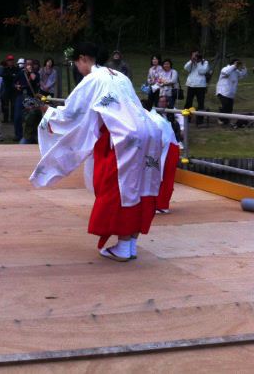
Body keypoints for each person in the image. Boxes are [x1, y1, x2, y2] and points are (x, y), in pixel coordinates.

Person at [30, 42, 163, 262]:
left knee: (116, 188)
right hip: (146, 132)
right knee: (140, 187)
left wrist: (47, 112)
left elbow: (72, 114)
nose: (76, 67)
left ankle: (122, 245)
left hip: (121, 136)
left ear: (83, 58)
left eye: (75, 62)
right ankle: (129, 243)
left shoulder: (92, 79)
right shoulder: (120, 76)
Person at [144, 98, 181, 215]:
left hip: (169, 148)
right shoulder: (149, 118)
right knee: (156, 176)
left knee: (165, 177)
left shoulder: (157, 121)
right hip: (160, 148)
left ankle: (162, 205)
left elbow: (162, 140)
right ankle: (155, 203)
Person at [13, 59, 40, 141]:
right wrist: (16, 86)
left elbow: (35, 80)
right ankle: (18, 135)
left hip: (30, 97)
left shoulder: (35, 73)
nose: (28, 65)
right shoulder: (21, 73)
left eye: (30, 64)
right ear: (24, 65)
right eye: (27, 64)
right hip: (21, 95)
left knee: (33, 116)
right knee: (17, 116)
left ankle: (32, 135)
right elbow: (13, 82)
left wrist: (31, 72)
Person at [215, 59, 247, 125]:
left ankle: (226, 121)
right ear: (233, 64)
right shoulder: (225, 68)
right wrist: (234, 66)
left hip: (230, 93)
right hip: (222, 92)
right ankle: (220, 119)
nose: (237, 66)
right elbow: (226, 72)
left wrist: (244, 68)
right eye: (237, 64)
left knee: (229, 108)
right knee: (225, 106)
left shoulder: (236, 71)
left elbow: (243, 75)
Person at [183, 51, 210, 125]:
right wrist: (192, 61)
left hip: (201, 86)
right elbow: (186, 68)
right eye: (195, 55)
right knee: (188, 102)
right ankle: (187, 118)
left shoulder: (205, 62)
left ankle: (200, 120)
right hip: (191, 84)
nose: (196, 57)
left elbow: (202, 71)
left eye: (197, 55)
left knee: (200, 103)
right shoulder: (191, 62)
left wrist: (198, 62)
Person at [1, 54, 20, 123]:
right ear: (7, 61)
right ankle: (5, 119)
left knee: (13, 105)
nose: (10, 62)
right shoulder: (5, 69)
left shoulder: (16, 69)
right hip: (6, 88)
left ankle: (12, 119)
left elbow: (17, 77)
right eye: (9, 60)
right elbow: (3, 76)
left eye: (12, 60)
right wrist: (11, 75)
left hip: (14, 89)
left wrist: (10, 76)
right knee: (5, 104)